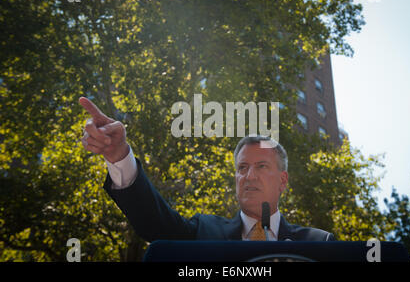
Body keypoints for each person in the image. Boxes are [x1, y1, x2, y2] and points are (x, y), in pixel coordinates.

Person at [79, 97, 336, 242]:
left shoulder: (319, 243)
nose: (249, 175)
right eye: (242, 167)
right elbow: (154, 224)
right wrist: (119, 155)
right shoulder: (202, 231)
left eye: (261, 166)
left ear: (282, 180)